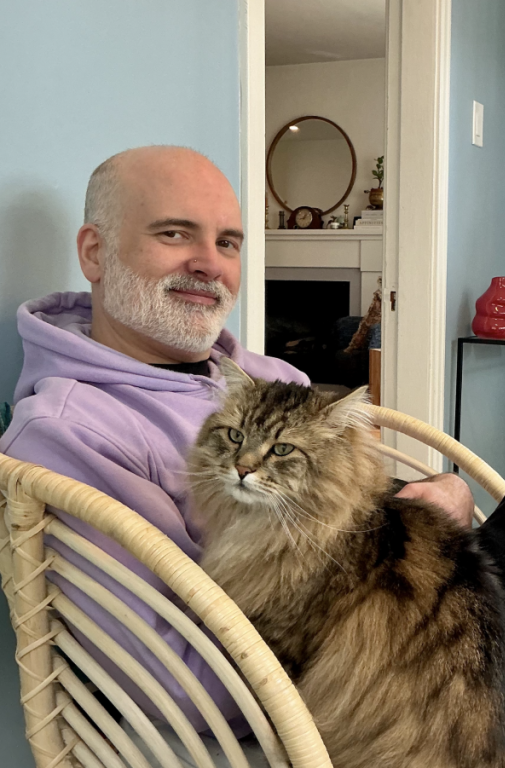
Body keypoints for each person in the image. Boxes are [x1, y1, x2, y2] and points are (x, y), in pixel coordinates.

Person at [0, 146, 474, 744]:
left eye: (228, 243)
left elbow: (355, 505)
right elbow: (175, 687)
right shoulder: (69, 433)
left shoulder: (263, 373)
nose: (209, 264)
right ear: (95, 252)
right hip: (354, 701)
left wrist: (435, 497)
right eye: (175, 233)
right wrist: (352, 617)